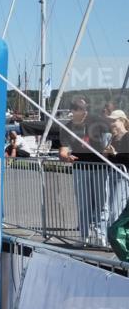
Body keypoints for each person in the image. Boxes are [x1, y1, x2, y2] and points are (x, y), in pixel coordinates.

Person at [58, 97, 110, 243]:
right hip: (80, 168)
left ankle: (101, 236)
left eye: (84, 107)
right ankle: (84, 236)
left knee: (102, 203)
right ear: (72, 110)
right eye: (77, 108)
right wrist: (65, 157)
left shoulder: (97, 121)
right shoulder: (67, 127)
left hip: (100, 167)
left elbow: (109, 139)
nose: (82, 110)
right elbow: (63, 150)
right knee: (83, 203)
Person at [104, 110, 129, 260]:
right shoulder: (113, 138)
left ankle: (121, 247)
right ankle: (119, 245)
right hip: (113, 175)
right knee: (114, 212)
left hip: (124, 177)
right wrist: (107, 154)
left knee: (116, 212)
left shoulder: (127, 136)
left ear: (122, 121)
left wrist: (115, 154)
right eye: (110, 121)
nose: (111, 124)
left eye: (113, 121)